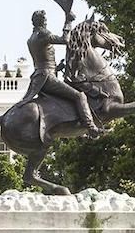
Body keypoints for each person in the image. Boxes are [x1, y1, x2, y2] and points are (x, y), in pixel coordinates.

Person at [21, 9, 106, 137]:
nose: (46, 22)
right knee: (80, 96)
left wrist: (57, 67)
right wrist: (68, 21)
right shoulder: (43, 34)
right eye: (45, 20)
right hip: (47, 77)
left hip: (40, 76)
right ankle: (91, 127)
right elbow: (65, 39)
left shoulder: (31, 38)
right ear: (43, 21)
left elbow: (42, 59)